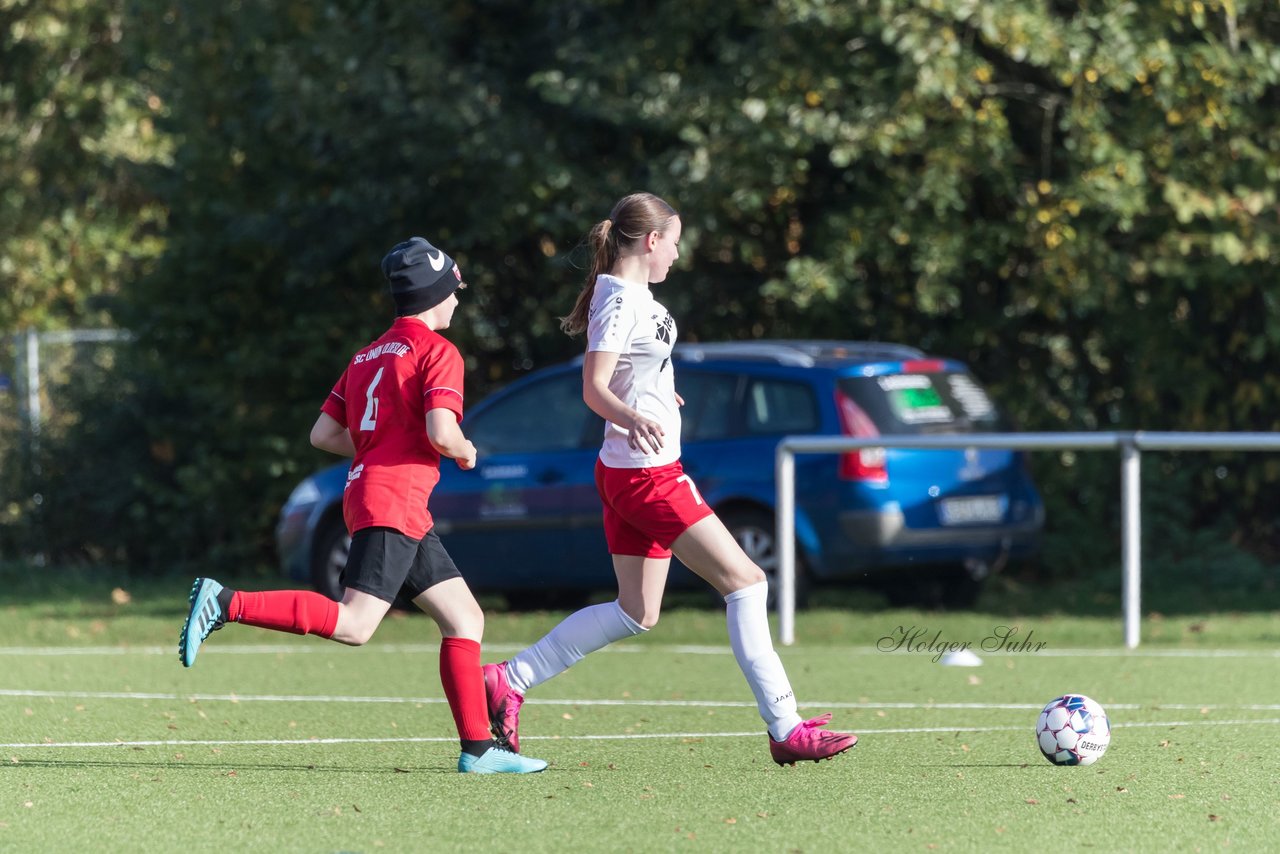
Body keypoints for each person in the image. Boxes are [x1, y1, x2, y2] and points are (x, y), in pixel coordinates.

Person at [483, 193, 858, 766]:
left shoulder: (635, 296)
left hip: (632, 472)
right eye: (675, 241)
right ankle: (786, 727)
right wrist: (633, 415)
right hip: (646, 476)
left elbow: (636, 367)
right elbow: (593, 388)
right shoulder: (617, 301)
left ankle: (510, 678)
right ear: (651, 241)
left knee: (637, 611)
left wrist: (657, 394)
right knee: (749, 583)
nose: (679, 254)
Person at [178, 237, 547, 775]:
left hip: (381, 496)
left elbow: (324, 432)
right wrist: (464, 449)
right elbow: (443, 432)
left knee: (464, 617)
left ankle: (479, 750)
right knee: (355, 624)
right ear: (436, 295)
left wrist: (382, 445)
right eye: (454, 292)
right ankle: (225, 602)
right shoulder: (438, 353)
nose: (458, 302)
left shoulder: (367, 354)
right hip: (392, 499)